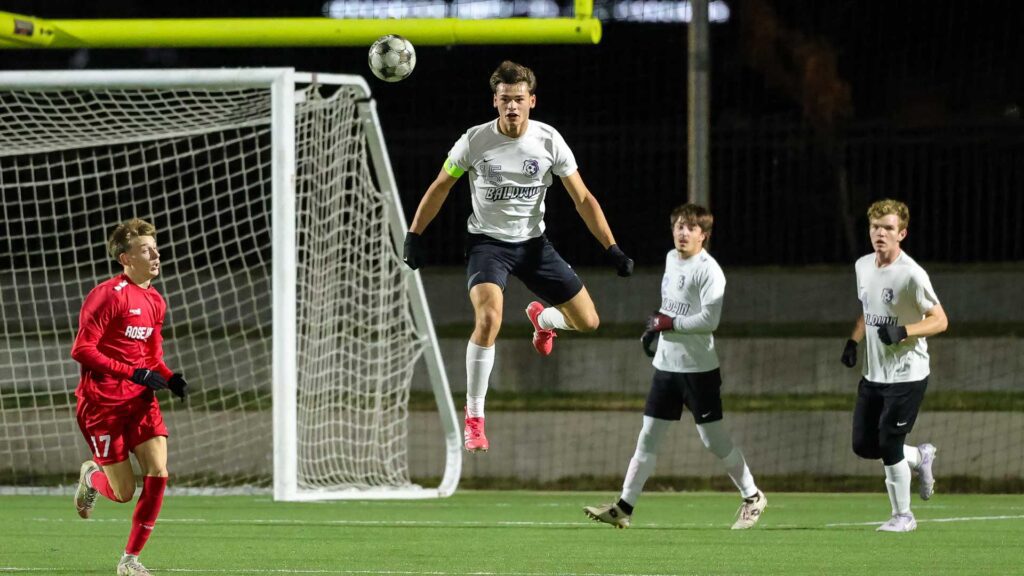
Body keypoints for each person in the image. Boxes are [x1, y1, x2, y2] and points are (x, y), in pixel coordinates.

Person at [402, 60, 633, 453]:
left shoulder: (549, 141)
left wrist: (610, 247)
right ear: (495, 101)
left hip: (534, 246)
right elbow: (440, 187)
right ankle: (474, 418)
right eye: (505, 99)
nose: (512, 106)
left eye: (519, 99)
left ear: (532, 101)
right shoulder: (474, 141)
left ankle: (543, 319)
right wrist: (413, 235)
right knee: (489, 317)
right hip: (487, 246)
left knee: (589, 321)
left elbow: (583, 198)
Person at [583, 203, 766, 530]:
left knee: (714, 440)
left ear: (703, 236)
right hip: (666, 367)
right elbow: (669, 309)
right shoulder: (670, 258)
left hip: (699, 370)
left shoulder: (709, 271)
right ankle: (623, 507)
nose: (683, 232)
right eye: (679, 226)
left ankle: (752, 496)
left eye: (691, 228)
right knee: (648, 438)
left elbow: (710, 320)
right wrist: (655, 328)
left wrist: (669, 323)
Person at [71, 218, 189, 576]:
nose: (155, 254)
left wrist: (170, 378)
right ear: (125, 258)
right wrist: (130, 371)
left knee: (159, 472)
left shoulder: (155, 300)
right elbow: (82, 349)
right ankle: (91, 475)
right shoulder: (106, 295)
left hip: (140, 402)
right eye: (145, 250)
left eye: (154, 247)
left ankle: (129, 561)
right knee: (123, 492)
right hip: (102, 405)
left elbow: (152, 356)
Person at [840, 199, 946, 532]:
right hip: (873, 374)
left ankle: (904, 516)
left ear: (902, 233)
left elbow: (941, 320)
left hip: (908, 374)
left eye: (888, 228)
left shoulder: (912, 274)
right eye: (875, 227)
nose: (880, 233)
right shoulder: (862, 266)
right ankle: (919, 456)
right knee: (864, 445)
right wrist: (853, 341)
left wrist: (904, 331)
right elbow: (868, 309)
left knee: (888, 443)